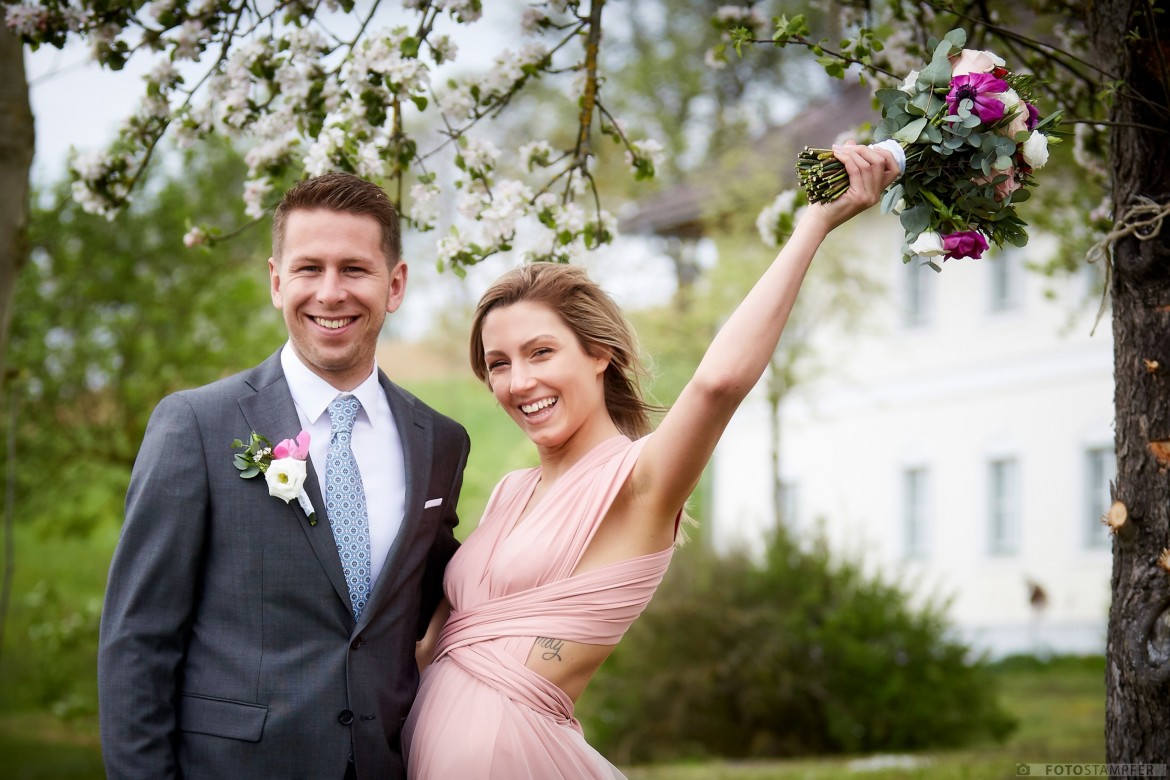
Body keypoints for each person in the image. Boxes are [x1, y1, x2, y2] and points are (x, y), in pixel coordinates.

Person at [401, 142, 900, 778]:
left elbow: (717, 384)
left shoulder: (639, 482)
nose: (518, 382)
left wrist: (813, 225)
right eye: (498, 364)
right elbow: (430, 649)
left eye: (541, 352)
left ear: (599, 353)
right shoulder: (508, 491)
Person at [98, 172, 471, 780]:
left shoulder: (441, 442)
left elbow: (422, 607)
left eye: (354, 269)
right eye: (308, 269)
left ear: (395, 284)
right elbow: (137, 643)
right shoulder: (196, 424)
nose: (330, 293)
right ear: (276, 281)